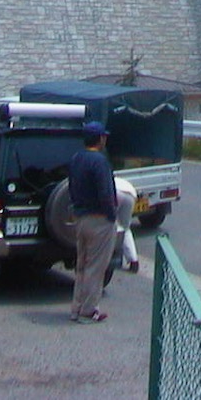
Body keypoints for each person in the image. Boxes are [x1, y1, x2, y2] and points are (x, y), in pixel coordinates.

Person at [68, 121, 117, 323]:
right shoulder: (99, 161)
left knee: (82, 265)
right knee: (96, 267)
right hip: (99, 219)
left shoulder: (76, 158)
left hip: (81, 217)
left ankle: (76, 307)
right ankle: (89, 310)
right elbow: (105, 192)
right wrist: (111, 214)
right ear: (99, 138)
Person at [114, 176, 140, 274]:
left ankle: (112, 253)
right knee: (125, 228)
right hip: (131, 194)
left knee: (110, 224)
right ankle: (134, 261)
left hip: (116, 192)